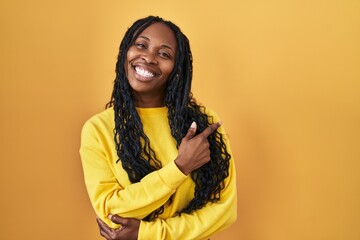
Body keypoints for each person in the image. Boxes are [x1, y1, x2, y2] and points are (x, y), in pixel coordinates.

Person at [80, 16, 237, 240]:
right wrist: (180, 167)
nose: (149, 58)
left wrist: (147, 233)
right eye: (141, 45)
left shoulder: (203, 123)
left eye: (164, 54)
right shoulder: (98, 129)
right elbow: (111, 211)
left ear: (176, 68)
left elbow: (224, 210)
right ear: (126, 52)